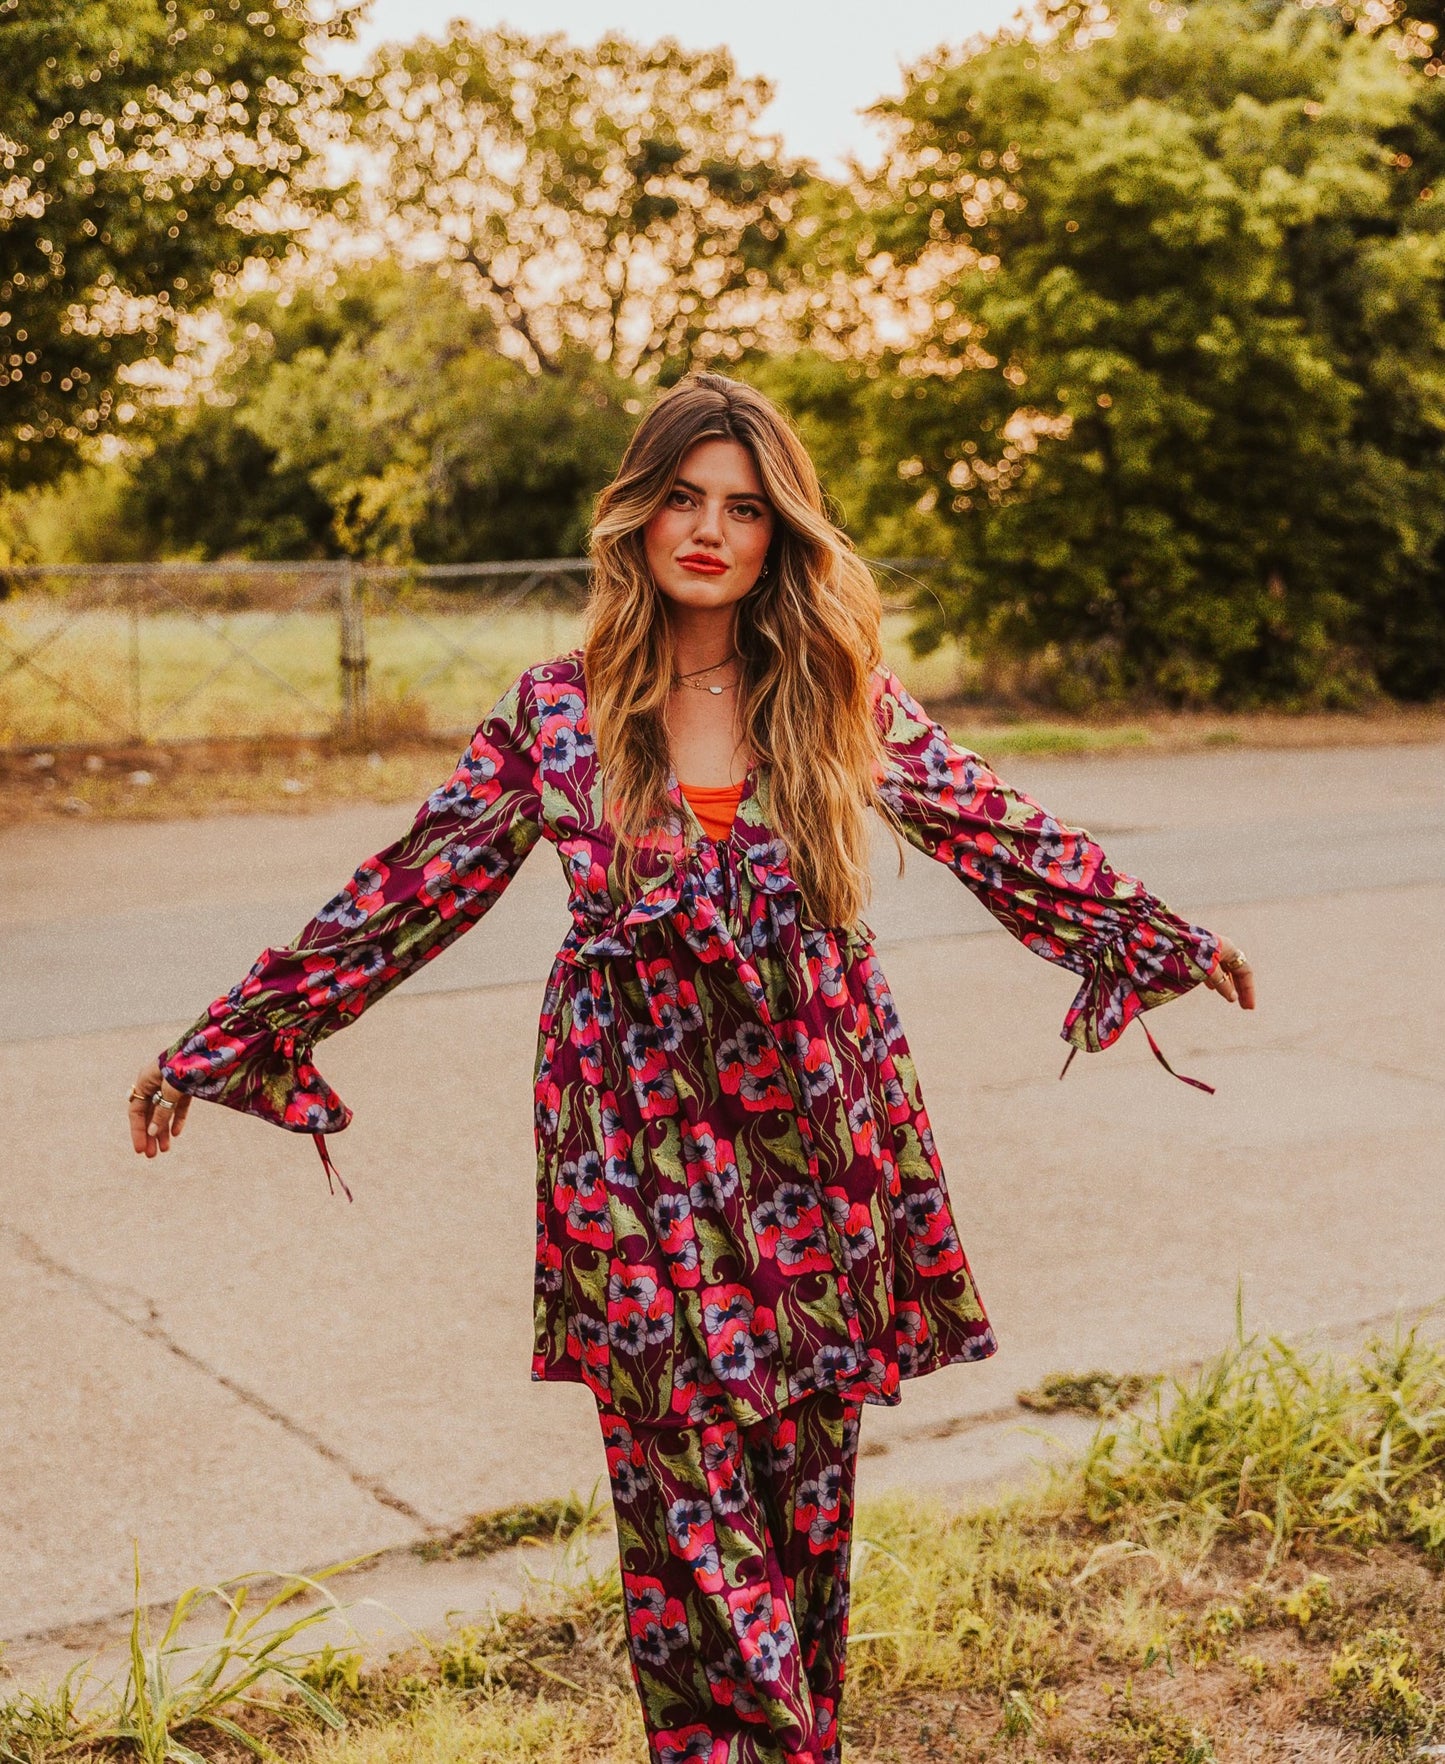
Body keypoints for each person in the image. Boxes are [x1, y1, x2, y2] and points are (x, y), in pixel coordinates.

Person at [127, 372, 1256, 1764]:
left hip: (818, 1145)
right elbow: (409, 890)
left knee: (796, 1509)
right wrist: (230, 1035)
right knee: (687, 1519)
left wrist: (1153, 935)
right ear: (635, 518)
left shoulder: (837, 697)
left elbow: (995, 830)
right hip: (629, 1149)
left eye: (741, 505)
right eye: (679, 497)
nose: (708, 529)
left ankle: (799, 1742)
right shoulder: (558, 711)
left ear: (780, 532)